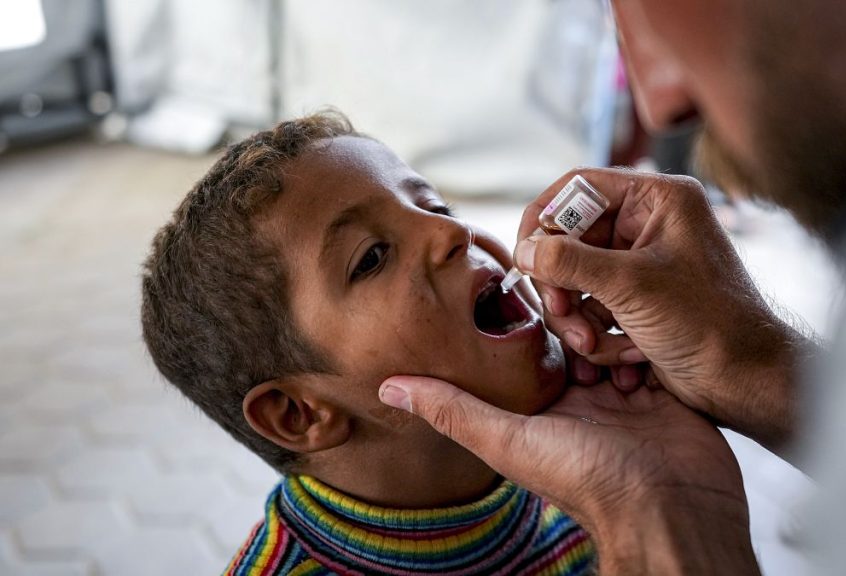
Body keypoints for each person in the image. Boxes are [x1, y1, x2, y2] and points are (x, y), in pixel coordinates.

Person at [378, 1, 846, 574]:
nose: (662, 101)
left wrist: (656, 517)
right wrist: (748, 365)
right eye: (370, 257)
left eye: (436, 205)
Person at [140, 112, 598, 575]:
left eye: (437, 208)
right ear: (300, 413)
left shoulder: (594, 463)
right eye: (372, 258)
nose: (452, 232)